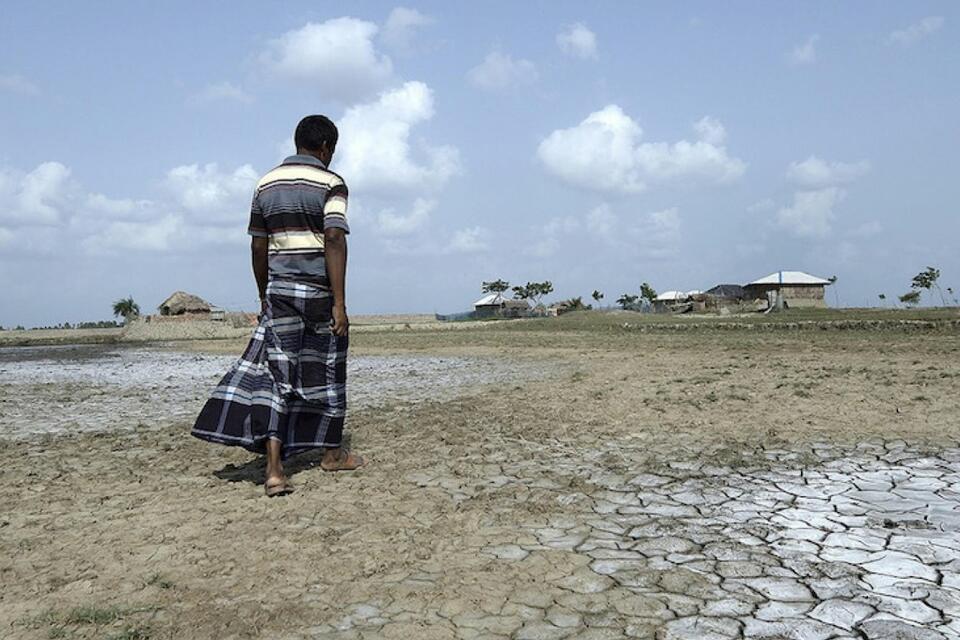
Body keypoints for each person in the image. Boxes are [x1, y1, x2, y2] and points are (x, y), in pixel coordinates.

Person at [192, 115, 364, 496]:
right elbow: (334, 237)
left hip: (280, 291)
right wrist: (340, 304)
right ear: (327, 149)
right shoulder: (332, 183)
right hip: (318, 292)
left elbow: (257, 246)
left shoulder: (264, 184)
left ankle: (274, 471)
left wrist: (263, 295)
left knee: (278, 379)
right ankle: (331, 454)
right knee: (328, 372)